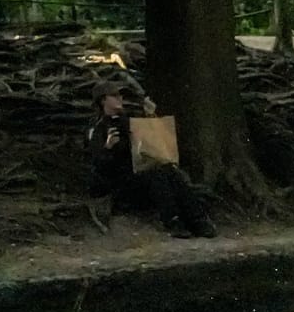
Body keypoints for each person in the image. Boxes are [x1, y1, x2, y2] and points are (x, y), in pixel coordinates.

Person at [86, 81, 217, 239]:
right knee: (156, 175)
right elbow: (98, 164)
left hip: (137, 174)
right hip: (118, 182)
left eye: (120, 95)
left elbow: (153, 144)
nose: (119, 98)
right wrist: (107, 147)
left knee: (169, 170)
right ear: (103, 100)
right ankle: (172, 221)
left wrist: (150, 116)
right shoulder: (98, 128)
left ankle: (198, 220)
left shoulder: (126, 121)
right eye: (114, 96)